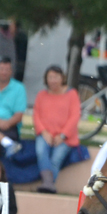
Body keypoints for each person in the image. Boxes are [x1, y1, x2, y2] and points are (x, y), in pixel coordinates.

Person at [33, 65, 80, 193]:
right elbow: (36, 115)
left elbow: (74, 116)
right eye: (50, 77)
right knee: (41, 151)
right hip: (45, 134)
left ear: (62, 78)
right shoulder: (41, 95)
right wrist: (44, 132)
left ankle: (48, 183)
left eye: (56, 77)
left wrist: (63, 135)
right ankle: (48, 183)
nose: (53, 80)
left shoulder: (72, 94)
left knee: (56, 158)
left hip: (66, 137)